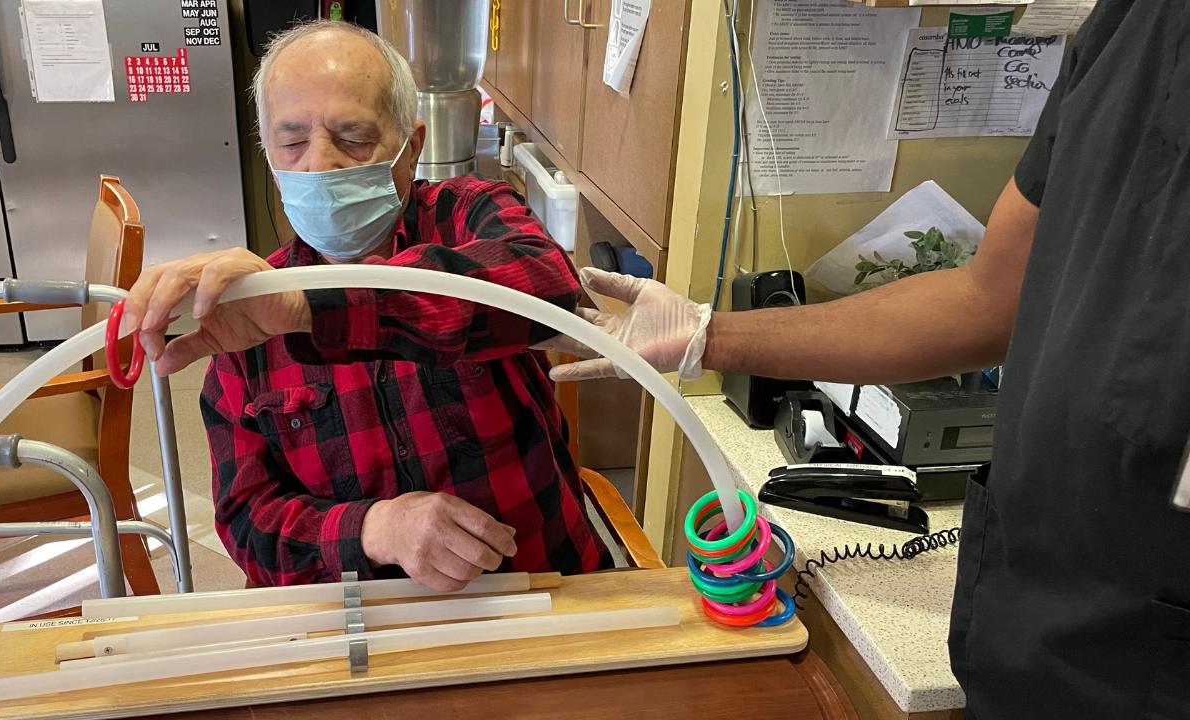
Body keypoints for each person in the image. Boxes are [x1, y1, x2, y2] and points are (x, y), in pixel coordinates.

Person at [549, 2, 1190, 718]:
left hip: (1153, 657)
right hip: (1028, 630)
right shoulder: (1135, 24)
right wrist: (705, 335)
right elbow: (985, 298)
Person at [120, 20, 607, 592]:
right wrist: (373, 529)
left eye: (352, 137)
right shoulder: (246, 316)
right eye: (293, 141)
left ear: (412, 146)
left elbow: (547, 286)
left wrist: (313, 308)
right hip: (362, 631)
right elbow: (248, 522)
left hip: (545, 593)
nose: (319, 164)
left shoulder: (467, 213)